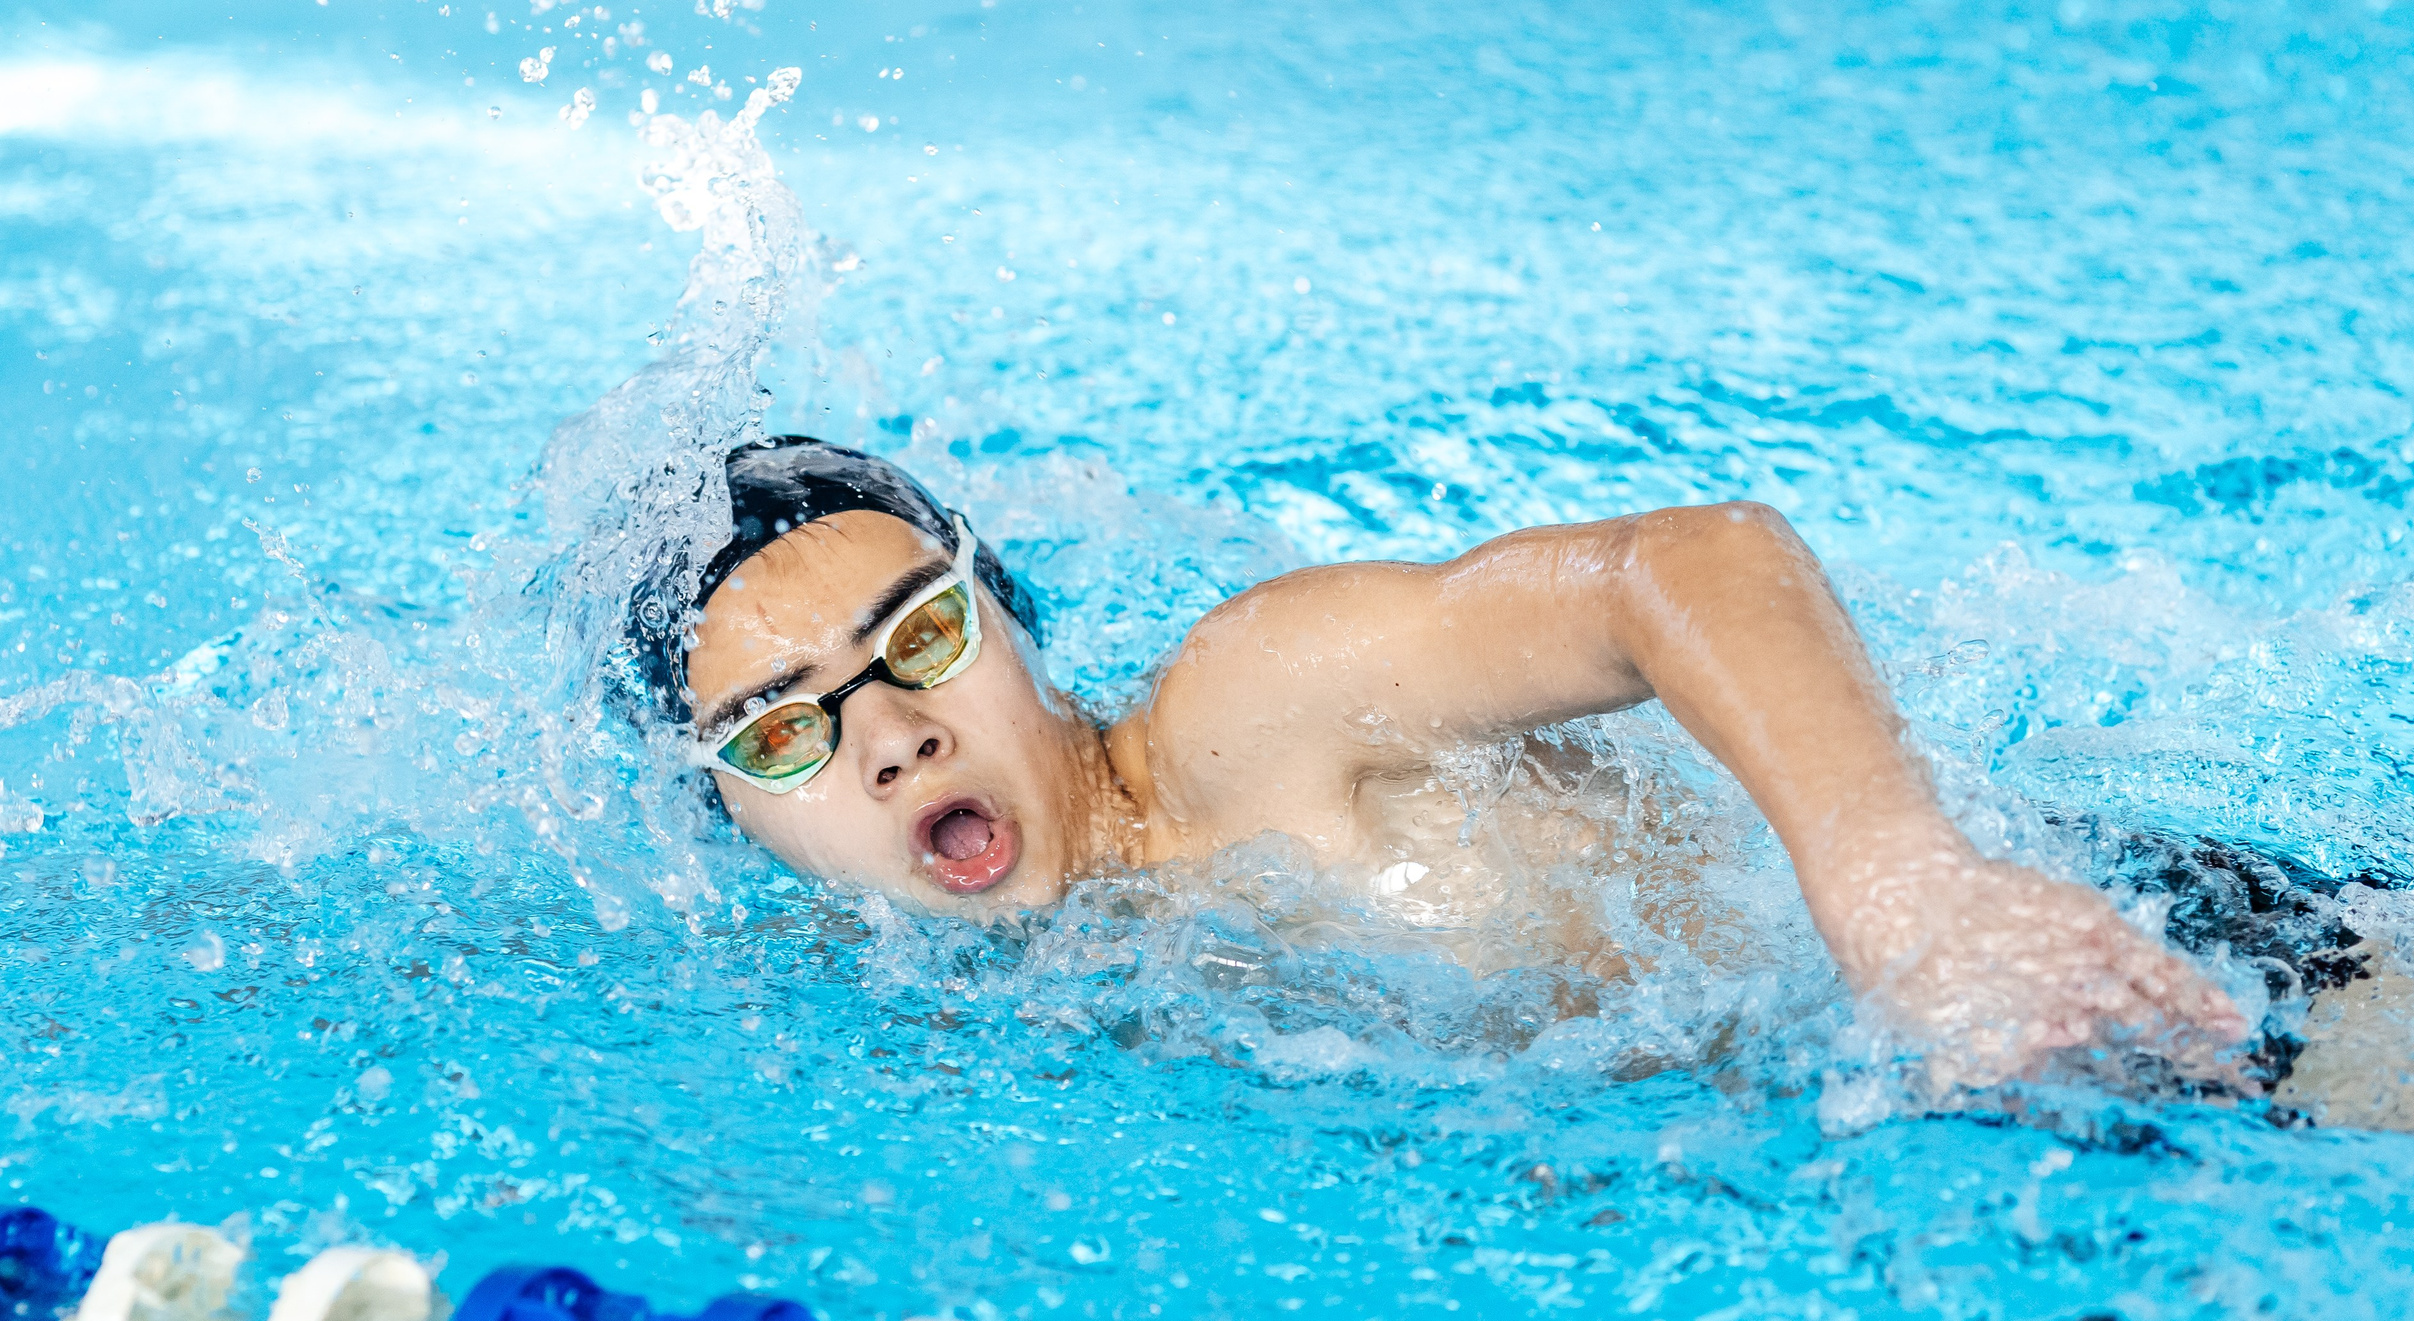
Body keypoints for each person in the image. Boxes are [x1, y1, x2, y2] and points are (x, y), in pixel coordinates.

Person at [632, 437, 2257, 1088]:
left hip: (2153, 954)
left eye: (918, 637)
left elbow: (1686, 563)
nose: (893, 732)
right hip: (1957, 1090)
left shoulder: (1249, 712)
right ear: (735, 821)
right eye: (785, 729)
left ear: (1017, 631)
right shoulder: (943, 1014)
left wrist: (1904, 886)